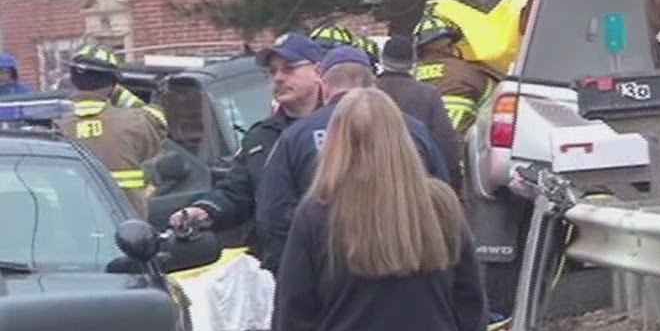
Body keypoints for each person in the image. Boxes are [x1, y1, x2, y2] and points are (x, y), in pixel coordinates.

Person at [273, 87, 488, 331]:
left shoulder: (316, 213)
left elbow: (294, 320)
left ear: (335, 143)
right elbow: (470, 312)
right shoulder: (441, 207)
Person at [257, 46, 452, 276]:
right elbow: (443, 196)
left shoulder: (296, 136)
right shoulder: (414, 130)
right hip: (408, 267)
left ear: (324, 84)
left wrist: (300, 267)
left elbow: (273, 213)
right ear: (373, 85)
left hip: (328, 276)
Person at [168, 33, 325, 256]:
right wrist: (204, 211)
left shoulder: (341, 127)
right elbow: (237, 192)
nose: (278, 78)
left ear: (318, 72)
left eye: (289, 68)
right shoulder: (261, 137)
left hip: (333, 263)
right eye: (272, 72)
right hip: (279, 264)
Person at [54, 47, 166, 215]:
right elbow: (158, 120)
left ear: (72, 81)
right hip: (128, 230)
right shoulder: (134, 122)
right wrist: (121, 95)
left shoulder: (57, 129)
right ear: (112, 86)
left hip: (75, 231)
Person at [376, 35, 461, 187]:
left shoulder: (366, 92)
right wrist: (452, 180)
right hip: (417, 177)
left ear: (382, 60)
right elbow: (445, 139)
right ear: (413, 63)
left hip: (373, 176)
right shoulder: (428, 94)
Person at [412, 13, 499, 145]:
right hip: (462, 151)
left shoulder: (411, 75)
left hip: (419, 151)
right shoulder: (469, 72)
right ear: (449, 46)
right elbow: (493, 101)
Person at [67, 43, 168, 131]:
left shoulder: (59, 124)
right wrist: (119, 93)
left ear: (72, 79)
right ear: (113, 84)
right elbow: (158, 122)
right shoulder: (131, 126)